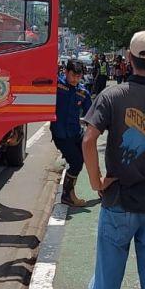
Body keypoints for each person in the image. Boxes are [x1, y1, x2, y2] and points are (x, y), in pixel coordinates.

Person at [82, 31, 145, 289]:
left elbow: (88, 139)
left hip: (118, 201)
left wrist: (96, 182)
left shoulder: (111, 96)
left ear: (129, 58)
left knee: (105, 286)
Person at [53, 59, 93, 207]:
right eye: (73, 76)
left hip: (76, 132)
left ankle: (101, 187)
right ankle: (67, 195)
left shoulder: (82, 92)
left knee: (89, 152)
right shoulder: (57, 85)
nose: (75, 79)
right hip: (61, 134)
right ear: (66, 72)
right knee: (76, 163)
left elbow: (92, 112)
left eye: (78, 76)